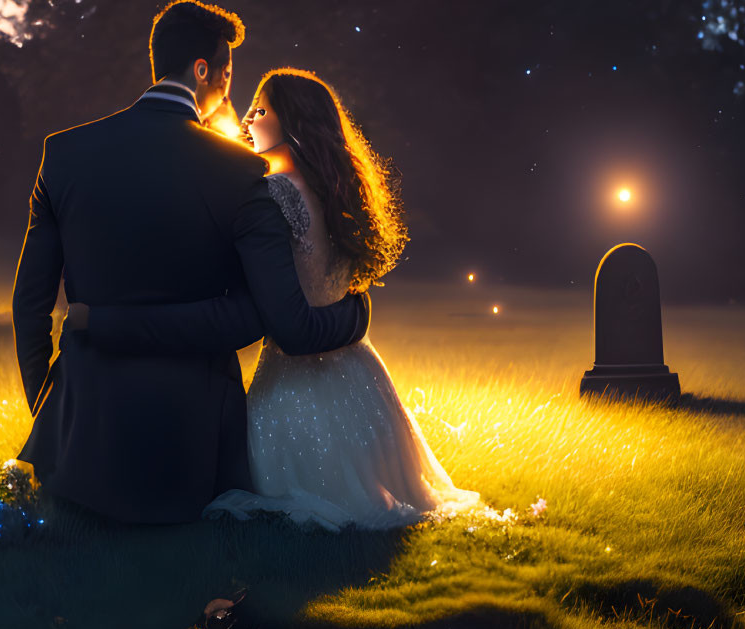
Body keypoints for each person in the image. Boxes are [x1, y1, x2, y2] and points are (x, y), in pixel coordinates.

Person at [12, 0, 370, 524]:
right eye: (227, 77)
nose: (229, 95)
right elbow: (253, 317)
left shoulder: (64, 152)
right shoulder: (241, 172)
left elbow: (30, 302)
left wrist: (49, 407)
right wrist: (356, 313)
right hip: (192, 451)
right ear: (203, 70)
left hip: (79, 446)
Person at [81, 68, 479, 529]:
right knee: (382, 494)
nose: (248, 118)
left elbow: (273, 307)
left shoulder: (273, 193)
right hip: (360, 375)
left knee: (286, 500)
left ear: (293, 122)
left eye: (261, 109)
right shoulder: (340, 191)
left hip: (297, 383)